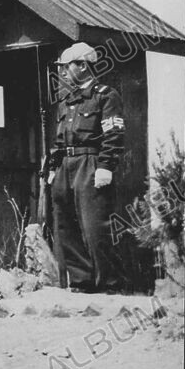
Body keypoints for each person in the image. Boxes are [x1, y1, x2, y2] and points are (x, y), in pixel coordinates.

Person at [42, 42, 125, 293]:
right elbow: (59, 140)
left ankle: (111, 284)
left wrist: (105, 166)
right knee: (66, 226)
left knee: (95, 226)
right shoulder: (67, 101)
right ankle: (82, 282)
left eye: (67, 67)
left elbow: (114, 134)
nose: (63, 72)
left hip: (90, 164)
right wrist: (54, 169)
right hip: (65, 165)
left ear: (82, 65)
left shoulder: (105, 96)